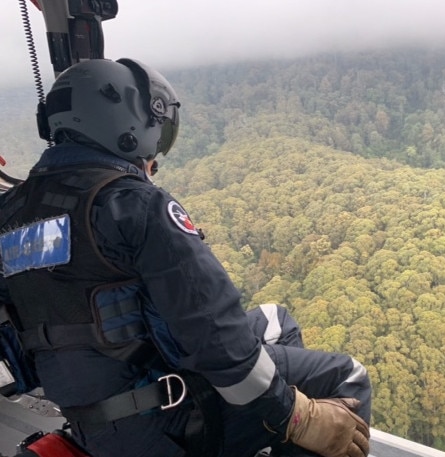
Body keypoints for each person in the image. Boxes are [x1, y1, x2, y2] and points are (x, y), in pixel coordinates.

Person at [0, 58, 371, 457]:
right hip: (165, 422)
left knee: (276, 321)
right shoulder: (131, 204)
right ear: (128, 121)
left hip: (92, 419)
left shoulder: (11, 212)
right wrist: (296, 417)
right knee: (345, 375)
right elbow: (218, 340)